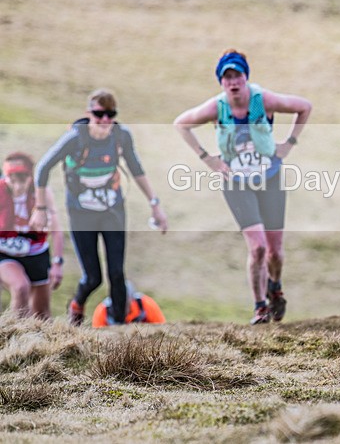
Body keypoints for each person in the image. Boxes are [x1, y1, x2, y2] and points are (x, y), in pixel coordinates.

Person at [174, 49, 312, 325]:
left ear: (246, 77)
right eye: (227, 77)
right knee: (258, 248)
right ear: (221, 82)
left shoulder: (263, 100)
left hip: (269, 178)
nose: (233, 82)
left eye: (237, 75)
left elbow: (304, 106)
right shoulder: (217, 108)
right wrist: (208, 159)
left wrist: (288, 144)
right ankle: (260, 307)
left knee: (274, 250)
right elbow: (181, 124)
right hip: (236, 183)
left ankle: (275, 287)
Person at [30, 89, 168, 326]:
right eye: (99, 114)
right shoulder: (75, 137)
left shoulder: (121, 136)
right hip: (81, 214)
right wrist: (40, 208)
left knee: (117, 273)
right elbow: (42, 168)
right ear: (89, 114)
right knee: (93, 277)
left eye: (110, 115)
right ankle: (77, 305)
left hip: (112, 211)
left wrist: (155, 204)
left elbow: (136, 169)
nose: (105, 121)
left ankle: (119, 325)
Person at [0, 152, 64, 319]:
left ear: (30, 175)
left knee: (42, 314)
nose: (16, 181)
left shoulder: (42, 194)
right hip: (5, 252)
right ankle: (17, 337)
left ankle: (40, 342)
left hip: (36, 253)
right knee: (21, 287)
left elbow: (57, 231)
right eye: (11, 176)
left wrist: (57, 263)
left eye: (21, 175)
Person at [91, 281, 165, 327]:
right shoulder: (102, 311)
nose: (121, 304)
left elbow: (162, 327)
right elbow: (97, 336)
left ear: (131, 298)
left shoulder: (145, 304)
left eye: (124, 301)